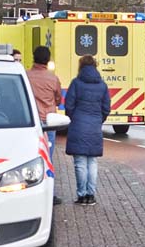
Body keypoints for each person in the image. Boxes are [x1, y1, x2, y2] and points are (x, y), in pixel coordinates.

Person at [65, 55, 111, 205]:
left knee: (80, 163)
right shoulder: (102, 85)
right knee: (92, 162)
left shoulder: (76, 83)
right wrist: (98, 120)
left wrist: (75, 117)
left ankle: (82, 195)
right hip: (95, 126)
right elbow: (106, 108)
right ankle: (91, 195)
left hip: (78, 125)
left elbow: (69, 105)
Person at [26, 46, 63, 205]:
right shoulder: (53, 79)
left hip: (30, 123)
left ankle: (29, 192)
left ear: (33, 57)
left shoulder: (25, 76)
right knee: (48, 158)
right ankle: (50, 194)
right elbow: (58, 100)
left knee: (28, 158)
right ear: (48, 61)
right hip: (48, 123)